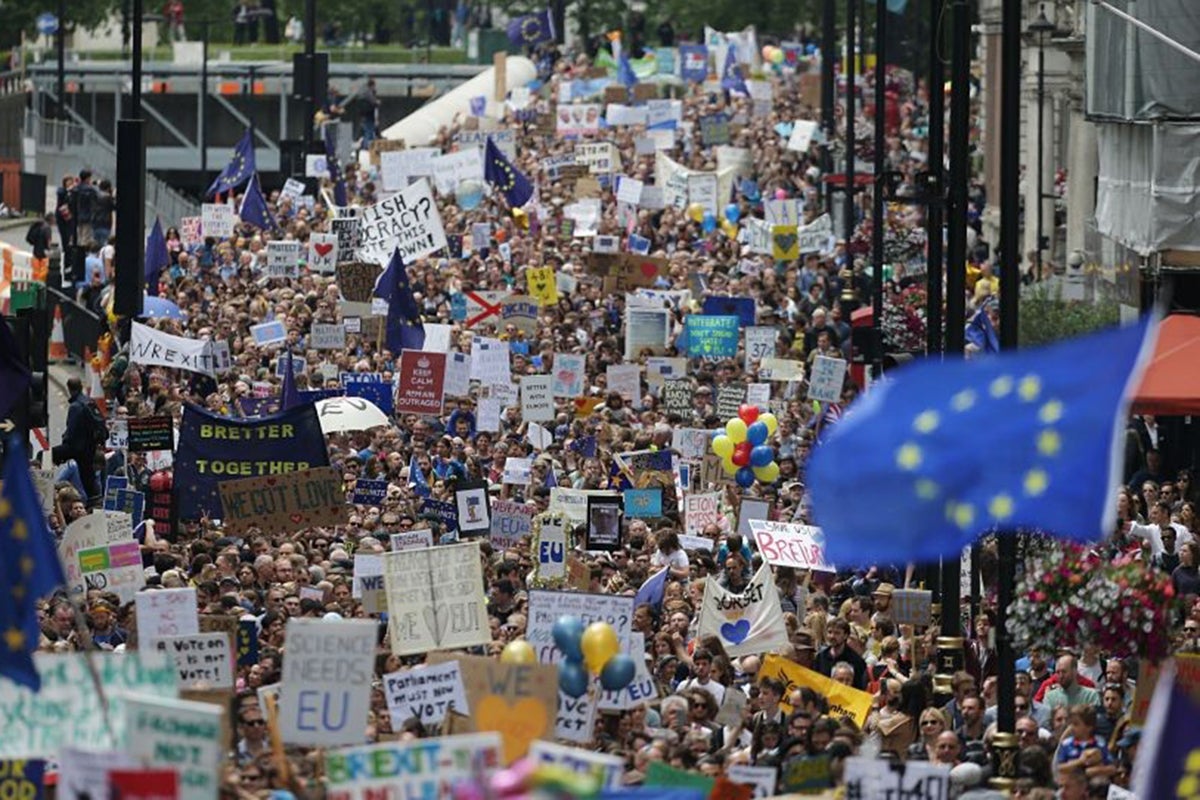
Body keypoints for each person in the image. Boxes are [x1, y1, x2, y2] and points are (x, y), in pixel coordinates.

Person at [53, 376, 103, 506]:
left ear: (69, 389)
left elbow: (71, 431)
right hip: (90, 448)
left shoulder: (76, 406)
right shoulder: (89, 402)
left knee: (50, 454)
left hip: (77, 448)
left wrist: (64, 446)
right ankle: (94, 500)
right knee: (88, 477)